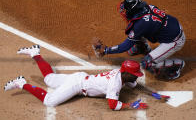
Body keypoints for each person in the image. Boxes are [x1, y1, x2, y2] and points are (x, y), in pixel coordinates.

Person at [4, 45, 169, 110]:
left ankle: (35, 54)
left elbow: (137, 86)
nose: (136, 78)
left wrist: (155, 94)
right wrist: (132, 106)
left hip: (80, 78)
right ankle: (22, 83)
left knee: (49, 79)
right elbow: (113, 105)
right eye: (135, 75)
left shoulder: (125, 77)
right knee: (49, 101)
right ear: (126, 73)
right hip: (77, 85)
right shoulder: (115, 83)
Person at [92, 0, 185, 80]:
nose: (124, 11)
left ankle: (177, 65)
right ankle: (142, 48)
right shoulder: (148, 7)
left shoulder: (141, 24)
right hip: (171, 29)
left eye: (126, 9)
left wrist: (107, 50)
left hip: (173, 41)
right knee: (136, 33)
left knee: (147, 63)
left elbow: (126, 46)